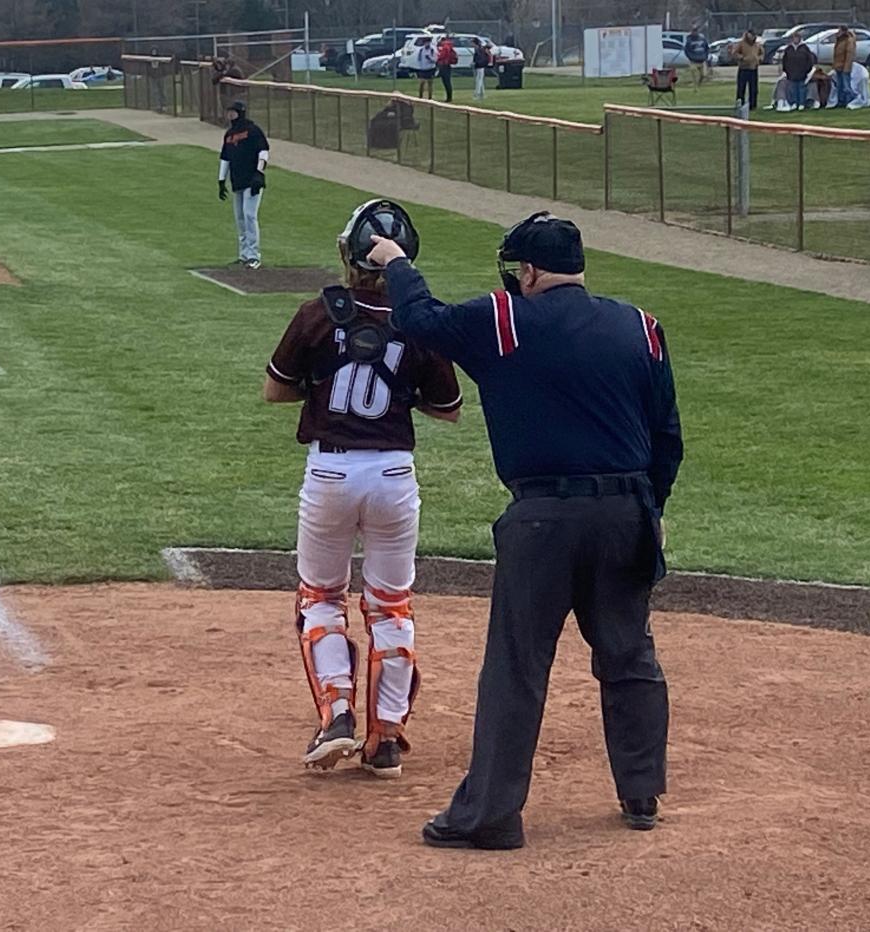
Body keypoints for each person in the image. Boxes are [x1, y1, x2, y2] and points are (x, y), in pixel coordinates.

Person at [366, 212, 683, 849]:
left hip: (542, 519)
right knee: (629, 657)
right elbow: (667, 437)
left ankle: (492, 816)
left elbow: (420, 319)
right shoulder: (641, 327)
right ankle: (641, 792)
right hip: (627, 510)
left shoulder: (504, 321)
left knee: (517, 665)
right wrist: (650, 509)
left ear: (530, 272)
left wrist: (395, 262)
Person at [264, 200, 463, 779]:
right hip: (394, 474)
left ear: (347, 255)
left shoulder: (315, 314)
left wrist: (324, 389)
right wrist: (399, 395)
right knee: (391, 605)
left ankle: (338, 714)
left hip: (329, 473)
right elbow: (448, 409)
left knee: (321, 597)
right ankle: (387, 738)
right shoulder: (419, 322)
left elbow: (276, 391)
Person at [217, 100, 269, 269]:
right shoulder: (229, 134)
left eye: (233, 112)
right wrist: (221, 180)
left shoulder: (253, 130)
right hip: (237, 181)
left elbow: (263, 151)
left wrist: (260, 172)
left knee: (249, 215)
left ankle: (254, 256)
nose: (230, 115)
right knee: (240, 218)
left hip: (252, 180)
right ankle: (244, 254)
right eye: (229, 112)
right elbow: (225, 158)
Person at [779, 32, 816, 111]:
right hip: (791, 73)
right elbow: (785, 60)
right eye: (794, 38)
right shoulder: (789, 49)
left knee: (801, 89)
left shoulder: (805, 48)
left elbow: (809, 60)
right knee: (792, 89)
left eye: (797, 38)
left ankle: (801, 103)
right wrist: (786, 70)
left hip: (802, 73)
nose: (795, 39)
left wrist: (807, 70)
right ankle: (794, 103)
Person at [731, 30, 763, 110]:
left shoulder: (757, 44)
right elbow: (734, 53)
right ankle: (740, 104)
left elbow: (761, 53)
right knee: (741, 88)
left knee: (754, 89)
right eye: (750, 35)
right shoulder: (741, 44)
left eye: (753, 35)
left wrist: (759, 59)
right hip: (744, 68)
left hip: (754, 68)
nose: (751, 37)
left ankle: (753, 105)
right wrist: (742, 58)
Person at [832, 26, 857, 107]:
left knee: (846, 86)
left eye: (839, 30)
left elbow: (849, 55)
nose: (838, 32)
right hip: (838, 66)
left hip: (844, 67)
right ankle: (841, 101)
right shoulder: (839, 40)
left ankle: (851, 100)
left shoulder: (848, 40)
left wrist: (846, 68)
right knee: (839, 86)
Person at [683, 26, 709, 90]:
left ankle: (699, 84)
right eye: (694, 31)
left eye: (696, 31)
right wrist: (691, 57)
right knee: (695, 74)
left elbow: (706, 48)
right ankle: (695, 88)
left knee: (703, 75)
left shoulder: (702, 39)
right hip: (693, 61)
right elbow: (687, 50)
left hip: (702, 60)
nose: (695, 32)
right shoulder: (689, 40)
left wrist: (706, 56)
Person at [414, 36, 437, 100]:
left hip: (430, 69)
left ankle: (430, 97)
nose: (427, 44)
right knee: (421, 83)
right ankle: (420, 97)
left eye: (428, 42)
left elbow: (435, 59)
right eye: (425, 42)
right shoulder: (421, 50)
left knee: (430, 83)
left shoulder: (433, 50)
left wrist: (430, 58)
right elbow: (419, 59)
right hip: (423, 69)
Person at [436, 35, 457, 103]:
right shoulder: (449, 46)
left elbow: (443, 55)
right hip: (447, 65)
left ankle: (449, 97)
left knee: (446, 82)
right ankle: (449, 97)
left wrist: (438, 58)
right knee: (447, 82)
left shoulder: (445, 47)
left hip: (444, 65)